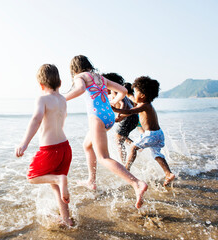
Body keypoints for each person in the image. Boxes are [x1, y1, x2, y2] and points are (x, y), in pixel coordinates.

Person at [64, 55, 148, 209]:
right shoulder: (100, 78)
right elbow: (123, 90)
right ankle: (91, 181)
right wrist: (113, 102)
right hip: (108, 116)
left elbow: (80, 89)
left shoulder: (80, 77)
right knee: (87, 145)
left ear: (74, 69)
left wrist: (62, 98)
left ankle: (136, 183)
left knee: (103, 157)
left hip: (96, 118)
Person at [15, 64, 74, 226]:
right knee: (56, 186)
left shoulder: (42, 98)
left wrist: (24, 143)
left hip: (50, 150)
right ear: (60, 82)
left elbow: (36, 118)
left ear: (41, 85)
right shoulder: (62, 100)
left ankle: (60, 179)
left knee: (32, 177)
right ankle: (66, 219)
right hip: (65, 148)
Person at [111, 76, 175, 186]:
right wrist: (121, 117)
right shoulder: (146, 105)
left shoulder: (144, 105)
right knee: (157, 154)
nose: (134, 95)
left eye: (136, 93)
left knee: (133, 147)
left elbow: (131, 111)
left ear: (143, 95)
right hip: (158, 134)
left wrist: (115, 110)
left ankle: (126, 169)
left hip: (151, 134)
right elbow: (132, 107)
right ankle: (168, 173)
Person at [102, 73, 139, 164]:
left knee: (118, 140)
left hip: (128, 117)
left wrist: (119, 115)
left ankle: (123, 162)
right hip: (133, 117)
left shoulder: (114, 91)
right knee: (122, 136)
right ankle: (136, 146)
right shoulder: (119, 91)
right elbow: (130, 103)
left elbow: (123, 104)